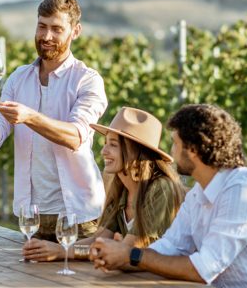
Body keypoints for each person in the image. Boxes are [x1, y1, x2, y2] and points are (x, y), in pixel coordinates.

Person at [90, 104, 247, 288]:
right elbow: (170, 247)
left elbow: (203, 269)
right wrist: (123, 256)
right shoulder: (199, 193)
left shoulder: (241, 192)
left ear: (192, 149)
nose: (172, 153)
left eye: (175, 144)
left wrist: (133, 256)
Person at [0, 0, 107, 241]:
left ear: (75, 31)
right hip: (31, 214)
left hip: (78, 214)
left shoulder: (87, 80)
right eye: (42, 27)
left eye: (57, 29)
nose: (46, 36)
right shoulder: (18, 78)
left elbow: (76, 136)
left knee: (81, 281)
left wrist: (30, 117)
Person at [22, 107, 184, 261]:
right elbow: (97, 241)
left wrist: (63, 251)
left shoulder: (160, 188)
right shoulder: (121, 188)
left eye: (113, 145)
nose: (103, 151)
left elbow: (127, 250)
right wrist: (61, 251)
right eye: (106, 143)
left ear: (135, 151)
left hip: (158, 285)